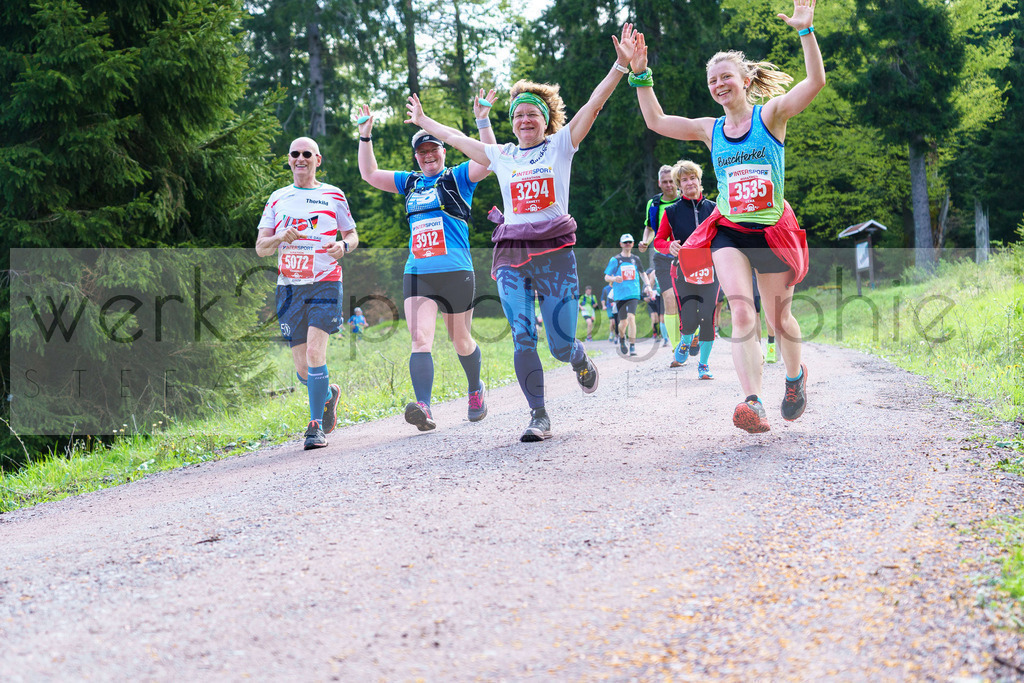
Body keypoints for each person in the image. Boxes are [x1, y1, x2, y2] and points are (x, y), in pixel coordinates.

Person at [405, 24, 640, 441]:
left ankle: (578, 357)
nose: (525, 119)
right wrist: (425, 121)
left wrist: (620, 67)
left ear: (546, 119)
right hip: (512, 253)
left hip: (555, 254)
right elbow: (458, 140)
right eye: (518, 115)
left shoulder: (561, 144)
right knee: (523, 336)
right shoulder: (504, 155)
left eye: (532, 113)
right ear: (511, 124)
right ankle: (538, 415)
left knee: (561, 343)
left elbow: (593, 104)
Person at [630, 0, 823, 432]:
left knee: (778, 320)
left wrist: (805, 32)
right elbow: (656, 120)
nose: (719, 85)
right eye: (712, 80)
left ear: (745, 80)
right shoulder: (709, 128)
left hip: (771, 231)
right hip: (729, 232)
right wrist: (640, 74)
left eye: (726, 77)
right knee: (740, 311)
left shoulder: (770, 116)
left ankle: (795, 379)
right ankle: (753, 402)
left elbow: (815, 81)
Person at [356, 91, 497, 431]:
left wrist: (483, 121)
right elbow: (370, 174)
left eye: (433, 149)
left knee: (460, 339)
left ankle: (475, 390)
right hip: (418, 272)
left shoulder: (458, 177)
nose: (428, 155)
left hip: (456, 270)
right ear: (416, 157)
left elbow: (490, 159)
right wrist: (365, 135)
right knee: (420, 339)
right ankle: (424, 407)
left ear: (443, 151)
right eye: (422, 152)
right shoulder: (411, 183)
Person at [256, 136, 357, 450]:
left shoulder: (333, 195)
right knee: (302, 368)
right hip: (289, 289)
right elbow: (260, 248)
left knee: (316, 355)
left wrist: (343, 246)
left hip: (326, 280)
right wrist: (278, 238)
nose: (301, 158)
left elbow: (352, 235)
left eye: (307, 154)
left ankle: (315, 427)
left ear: (318, 159)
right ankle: (328, 395)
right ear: (289, 159)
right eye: (295, 154)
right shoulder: (277, 198)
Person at [654, 160, 718, 378]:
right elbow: (659, 240)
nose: (689, 182)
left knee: (707, 318)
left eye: (693, 178)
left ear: (700, 181)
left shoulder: (714, 208)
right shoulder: (671, 212)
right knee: (689, 318)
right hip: (683, 272)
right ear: (679, 185)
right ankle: (686, 339)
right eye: (684, 180)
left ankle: (704, 365)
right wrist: (668, 245)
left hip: (711, 271)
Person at [637, 164, 682, 351]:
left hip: (685, 255)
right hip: (662, 255)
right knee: (669, 297)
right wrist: (645, 241)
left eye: (671, 181)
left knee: (686, 298)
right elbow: (649, 226)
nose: (669, 185)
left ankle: (690, 334)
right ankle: (676, 345)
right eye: (665, 182)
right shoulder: (653, 204)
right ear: (659, 183)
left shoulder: (685, 199)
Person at [605, 233, 653, 357]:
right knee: (623, 323)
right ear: (621, 244)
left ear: (632, 244)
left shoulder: (636, 259)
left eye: (630, 242)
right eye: (625, 242)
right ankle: (622, 338)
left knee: (631, 318)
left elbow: (642, 273)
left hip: (633, 292)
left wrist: (648, 286)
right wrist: (615, 278)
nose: (628, 244)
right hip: (620, 294)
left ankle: (632, 346)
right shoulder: (615, 260)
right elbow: (606, 277)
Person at [643, 268, 666, 345]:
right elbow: (643, 294)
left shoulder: (656, 280)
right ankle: (655, 333)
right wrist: (646, 297)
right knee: (654, 318)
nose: (648, 275)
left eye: (649, 274)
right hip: (651, 303)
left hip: (658, 301)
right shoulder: (646, 283)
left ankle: (660, 334)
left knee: (660, 318)